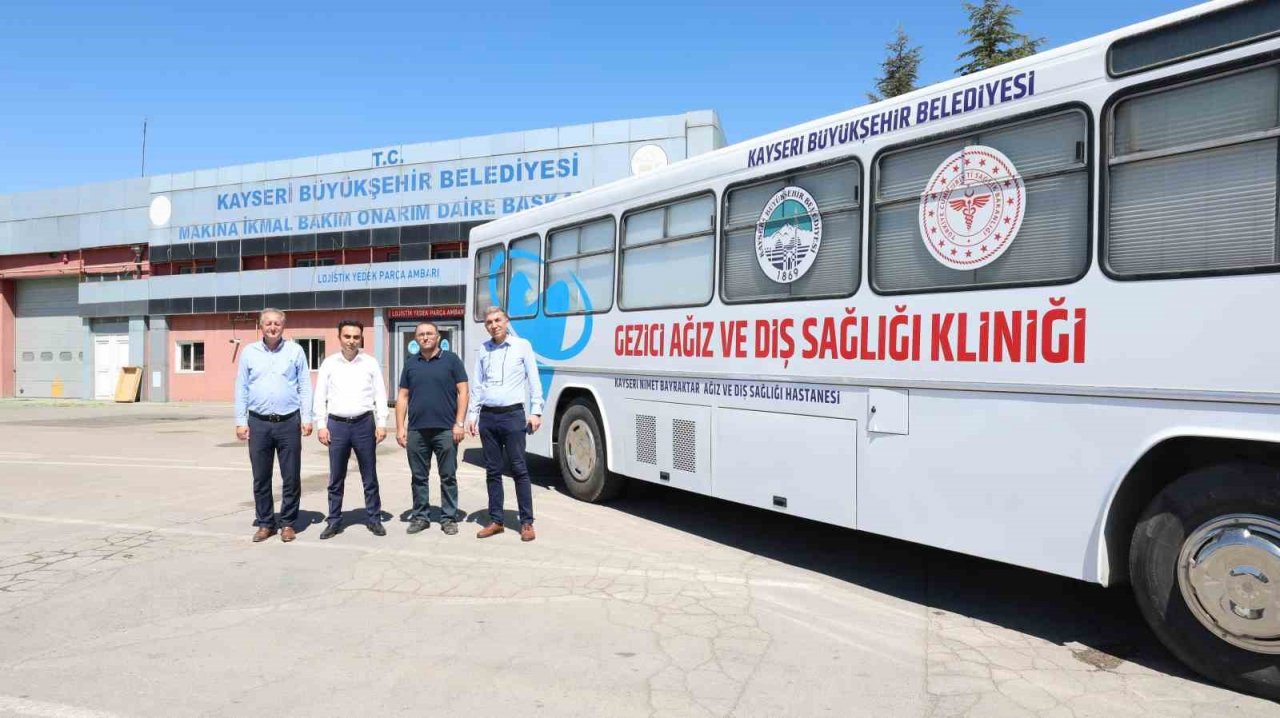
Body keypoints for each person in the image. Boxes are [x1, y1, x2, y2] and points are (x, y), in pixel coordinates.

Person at [234, 308, 313, 543]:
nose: (272, 327)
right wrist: (240, 421)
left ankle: (288, 523)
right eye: (268, 323)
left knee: (291, 476)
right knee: (261, 477)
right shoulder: (249, 352)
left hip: (289, 422)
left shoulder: (295, 351)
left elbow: (304, 385)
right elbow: (241, 387)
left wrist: (307, 418)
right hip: (258, 422)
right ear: (261, 326)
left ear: (283, 326)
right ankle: (265, 523)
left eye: (277, 323)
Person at [466, 307, 543, 542]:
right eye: (489, 322)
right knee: (492, 471)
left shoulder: (522, 346)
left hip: (513, 416)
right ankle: (496, 521)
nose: (494, 325)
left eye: (497, 320)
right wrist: (473, 415)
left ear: (506, 321)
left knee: (519, 468)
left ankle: (526, 522)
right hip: (488, 417)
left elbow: (534, 379)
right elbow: (478, 384)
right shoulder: (484, 350)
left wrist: (536, 411)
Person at [313, 319, 389, 539]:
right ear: (339, 337)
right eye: (347, 336)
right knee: (336, 477)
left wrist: (382, 423)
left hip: (364, 425)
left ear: (361, 338)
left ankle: (374, 519)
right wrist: (321, 425)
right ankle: (334, 520)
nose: (351, 341)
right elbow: (320, 396)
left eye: (356, 337)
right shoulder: (329, 363)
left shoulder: (370, 363)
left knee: (369, 476)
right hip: (336, 426)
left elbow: (380, 394)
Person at [396, 321, 468, 536]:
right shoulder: (410, 363)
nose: (425, 337)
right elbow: (402, 397)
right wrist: (400, 427)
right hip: (417, 430)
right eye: (421, 334)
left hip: (446, 430)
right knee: (419, 477)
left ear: (438, 337)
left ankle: (449, 518)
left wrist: (459, 423)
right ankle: (420, 517)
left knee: (448, 476)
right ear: (416, 338)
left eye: (429, 333)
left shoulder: (452, 360)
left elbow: (463, 392)